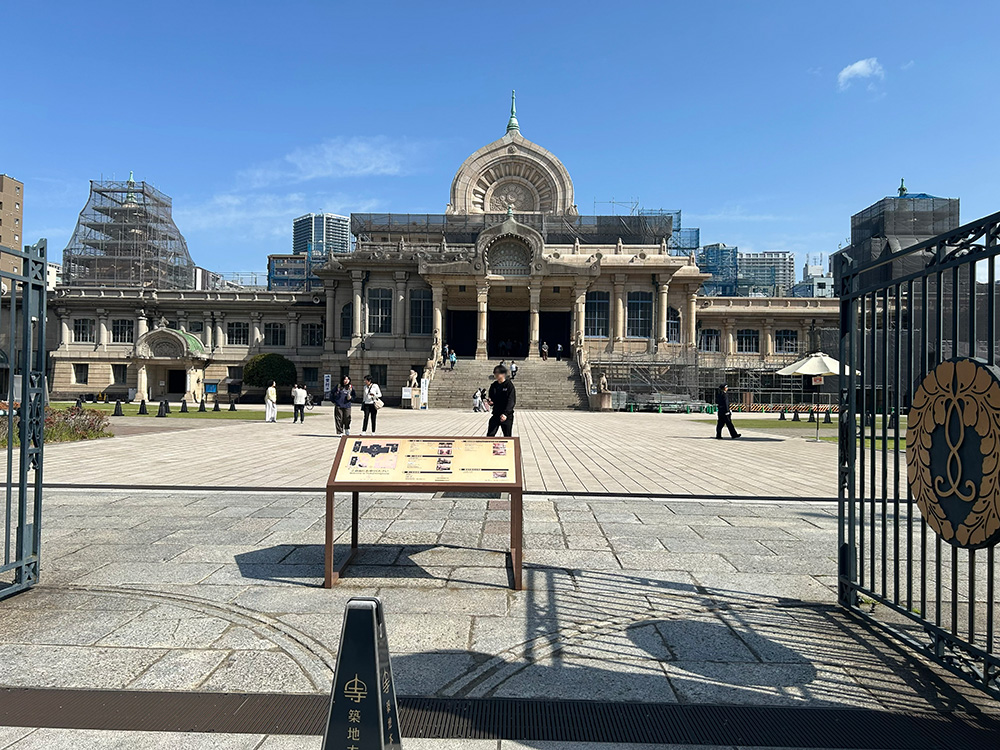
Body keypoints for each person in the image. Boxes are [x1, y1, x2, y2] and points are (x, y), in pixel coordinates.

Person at [486, 364, 516, 437]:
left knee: (507, 436)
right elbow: (492, 398)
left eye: (497, 373)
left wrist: (505, 413)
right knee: (490, 434)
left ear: (502, 374)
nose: (495, 375)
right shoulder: (494, 385)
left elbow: (511, 401)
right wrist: (491, 402)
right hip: (496, 413)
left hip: (506, 415)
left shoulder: (509, 385)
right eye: (494, 373)